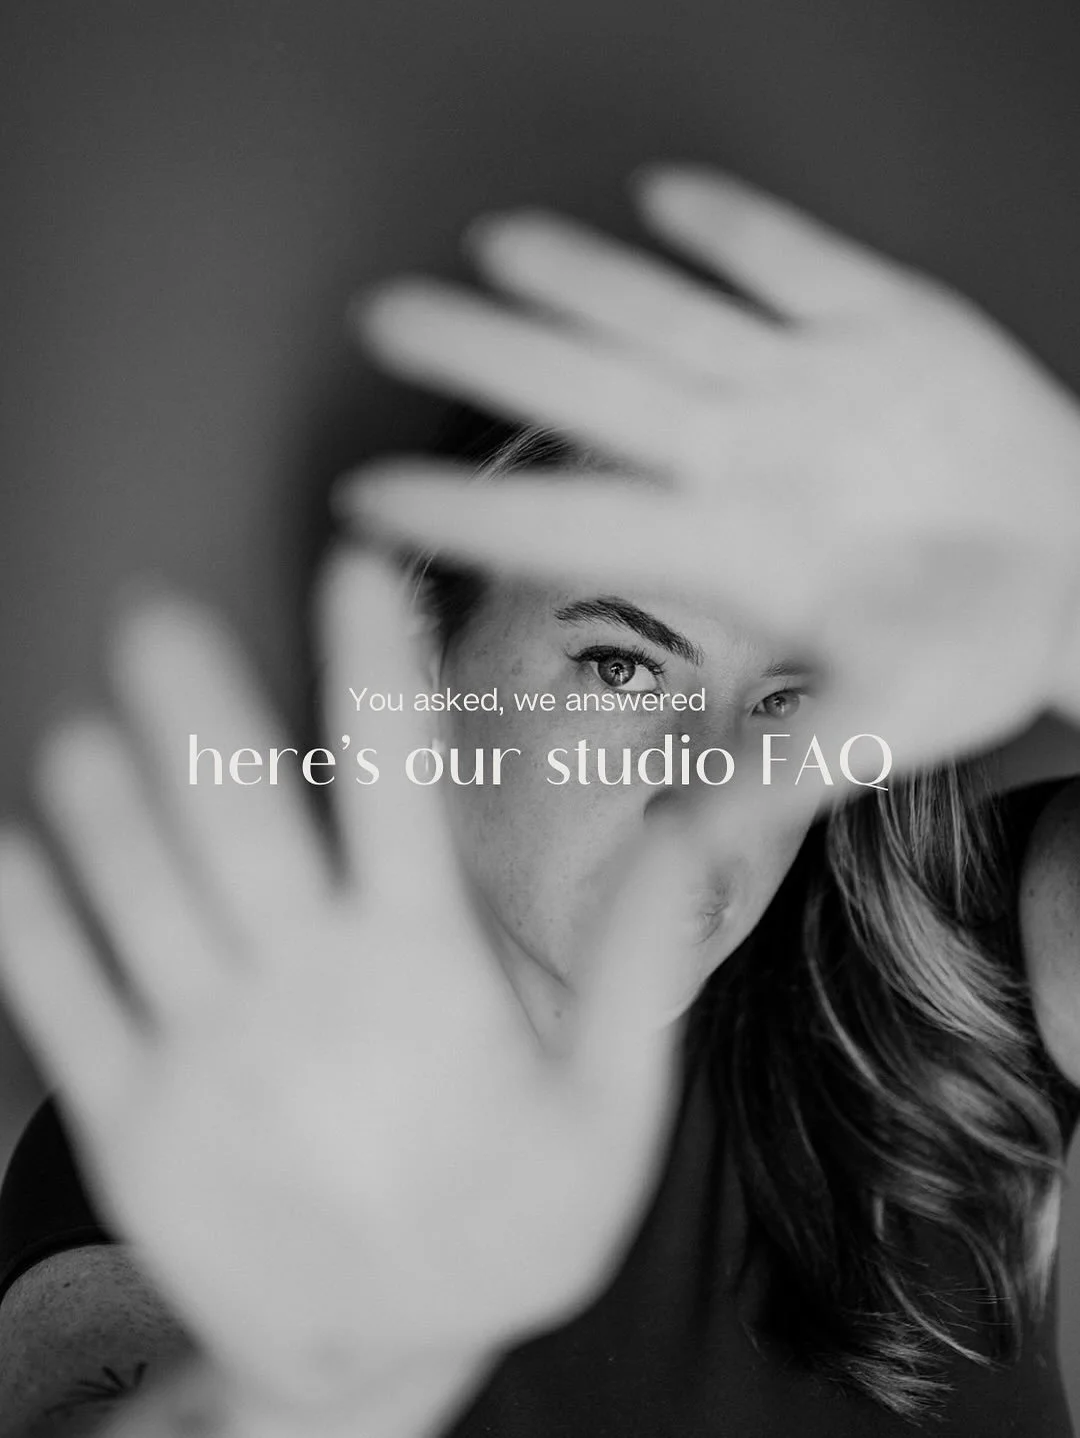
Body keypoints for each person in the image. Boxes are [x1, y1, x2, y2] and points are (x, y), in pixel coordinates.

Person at [1, 166, 1079, 1438]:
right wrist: (335, 1390)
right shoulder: (231, 1110)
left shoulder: (950, 987)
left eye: (783, 702)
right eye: (623, 666)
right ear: (422, 655)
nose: (711, 781)